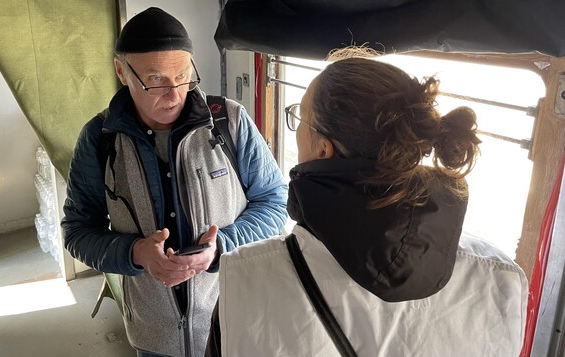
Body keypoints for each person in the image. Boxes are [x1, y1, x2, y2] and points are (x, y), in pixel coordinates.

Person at [206, 48, 528, 356]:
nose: (297, 128)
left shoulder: (245, 278)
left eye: (301, 117)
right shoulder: (502, 277)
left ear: (323, 149)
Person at [61, 7, 288, 357]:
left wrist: (221, 248)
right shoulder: (99, 139)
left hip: (235, 322)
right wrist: (136, 253)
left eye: (183, 76)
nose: (174, 94)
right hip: (154, 337)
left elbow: (274, 202)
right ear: (122, 70)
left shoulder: (230, 122)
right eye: (156, 80)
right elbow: (77, 231)